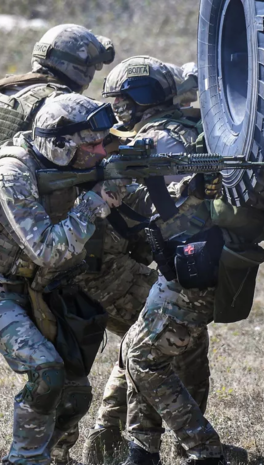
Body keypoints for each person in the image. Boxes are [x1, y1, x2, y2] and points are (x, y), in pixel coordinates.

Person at [0, 24, 115, 465]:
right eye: (91, 146)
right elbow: (47, 242)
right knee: (15, 367)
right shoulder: (50, 114)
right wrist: (92, 204)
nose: (99, 152)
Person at [82, 56, 208, 465]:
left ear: (138, 99)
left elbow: (156, 207)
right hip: (195, 263)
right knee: (146, 345)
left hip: (187, 266)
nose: (117, 112)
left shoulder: (155, 142)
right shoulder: (189, 127)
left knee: (143, 354)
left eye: (120, 102)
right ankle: (137, 448)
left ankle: (196, 452)